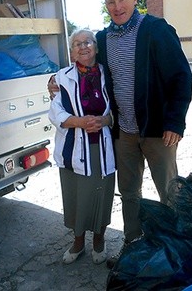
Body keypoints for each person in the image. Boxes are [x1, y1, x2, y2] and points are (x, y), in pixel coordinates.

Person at [49, 0, 192, 268]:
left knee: (168, 191)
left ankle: (178, 251)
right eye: (111, 3)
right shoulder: (103, 39)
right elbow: (84, 64)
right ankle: (133, 244)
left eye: (122, 0)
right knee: (129, 192)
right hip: (123, 133)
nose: (117, 7)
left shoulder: (156, 30)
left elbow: (181, 76)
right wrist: (54, 81)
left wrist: (175, 122)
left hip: (157, 131)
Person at [48, 29, 116, 265]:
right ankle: (78, 242)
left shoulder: (109, 74)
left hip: (102, 148)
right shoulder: (62, 77)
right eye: (76, 44)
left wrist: (104, 120)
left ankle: (99, 239)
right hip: (73, 148)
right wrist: (80, 122)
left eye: (87, 42)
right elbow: (55, 112)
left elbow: (119, 108)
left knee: (101, 194)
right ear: (71, 52)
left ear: (96, 48)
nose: (83, 46)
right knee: (75, 196)